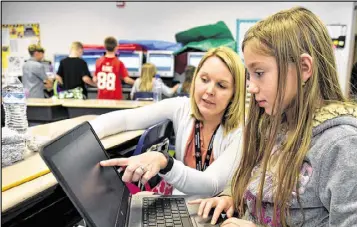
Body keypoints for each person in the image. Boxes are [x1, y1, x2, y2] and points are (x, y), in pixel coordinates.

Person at [140, 7, 357, 227]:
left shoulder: (342, 144)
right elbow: (261, 180)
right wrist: (232, 197)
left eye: (259, 73)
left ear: (304, 68)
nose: (250, 86)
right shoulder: (275, 121)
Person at [91, 46, 246, 196]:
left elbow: (212, 184)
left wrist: (165, 162)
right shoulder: (182, 107)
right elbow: (126, 119)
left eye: (221, 85)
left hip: (213, 213)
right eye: (204, 79)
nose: (209, 90)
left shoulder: (240, 131)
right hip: (180, 202)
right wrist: (87, 134)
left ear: (234, 93)